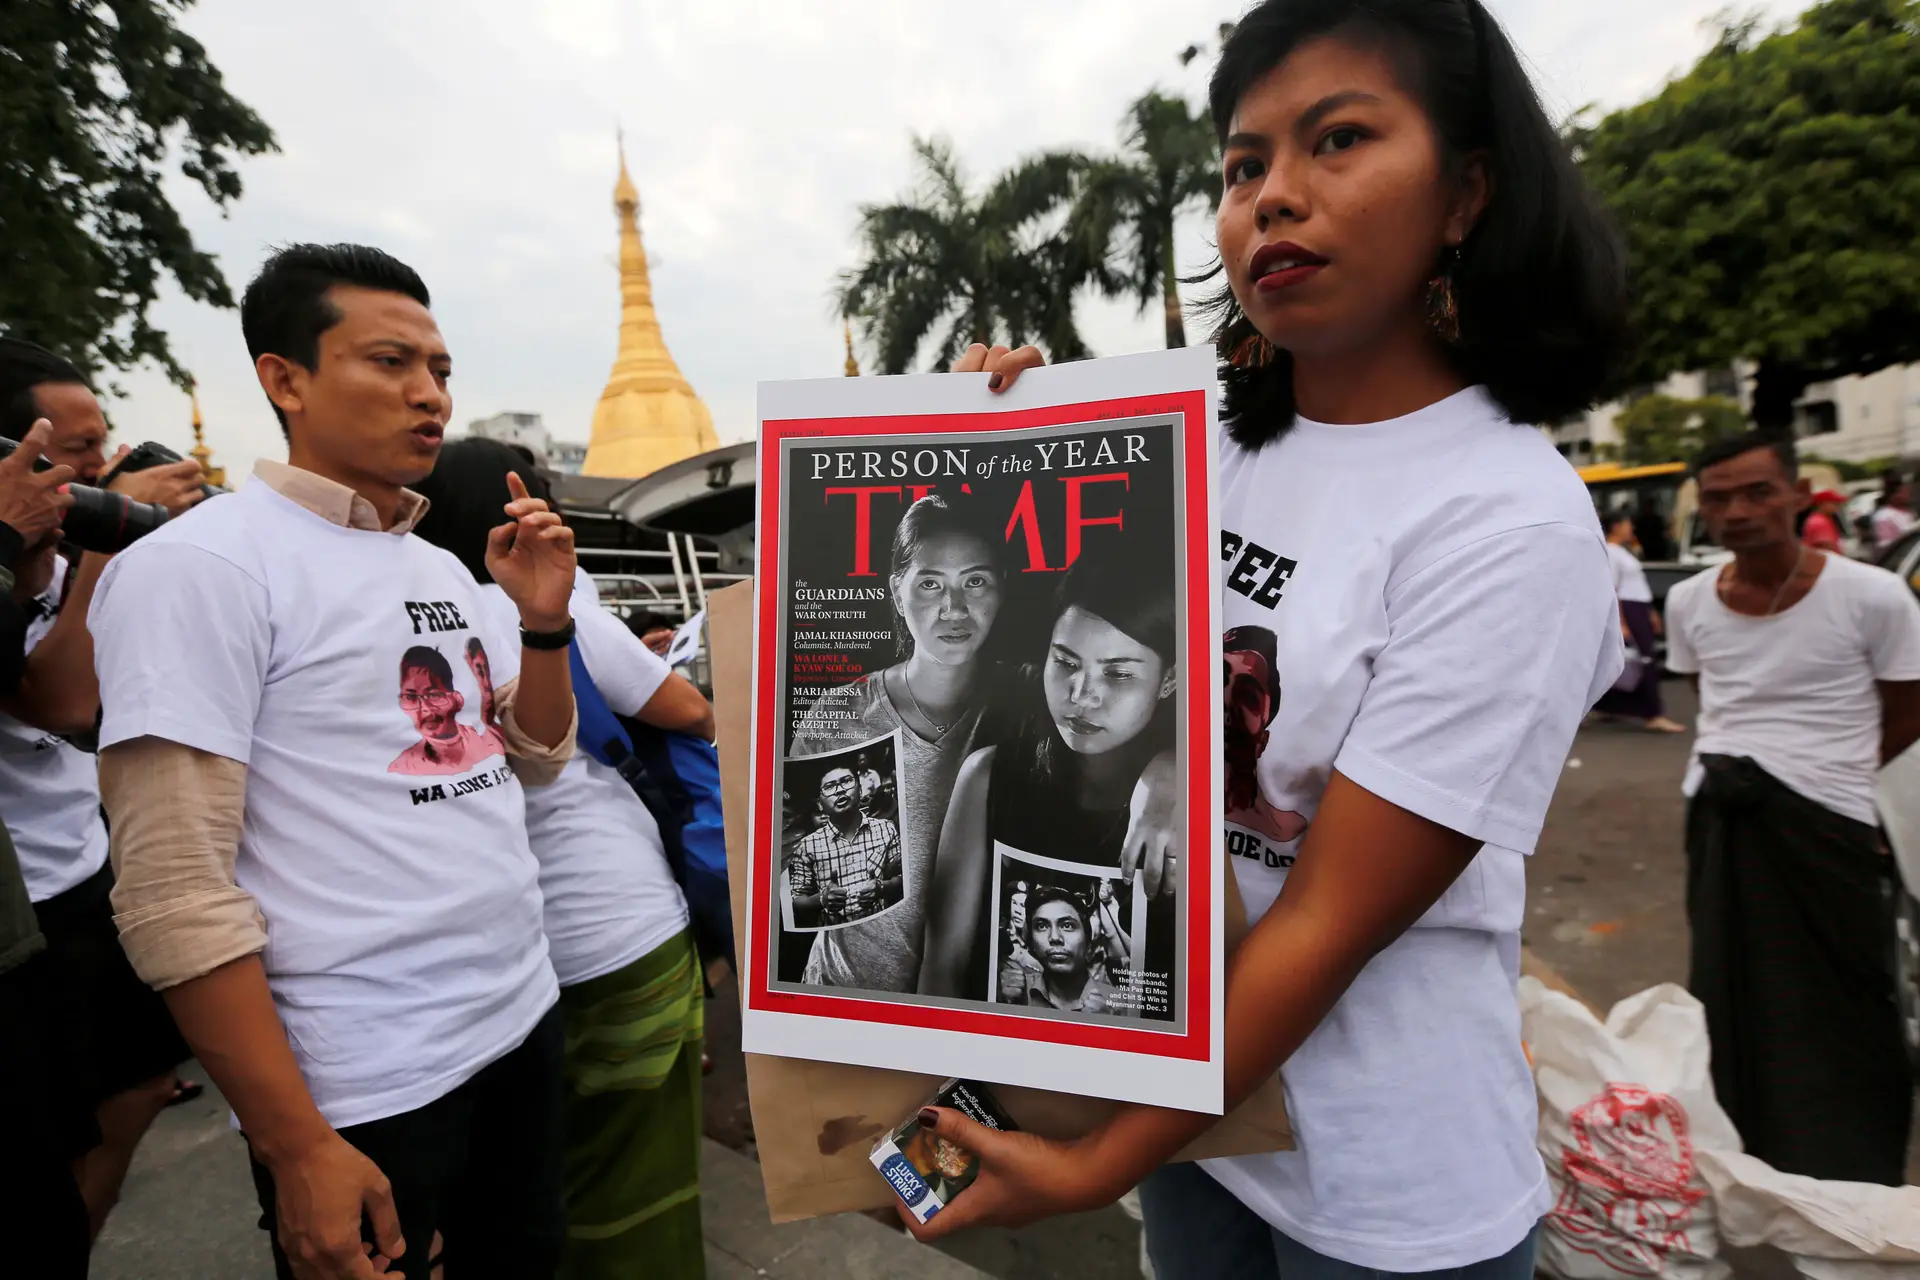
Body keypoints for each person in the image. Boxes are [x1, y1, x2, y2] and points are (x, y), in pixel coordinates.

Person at [903, 5, 1628, 1278]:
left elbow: (1332, 913)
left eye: (1338, 139)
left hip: (1384, 1185)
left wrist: (1094, 1161)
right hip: (1202, 1138)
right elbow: (1043, 626)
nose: (1273, 198)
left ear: (1466, 191)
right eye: (1243, 167)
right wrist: (1007, 437)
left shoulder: (1509, 516)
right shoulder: (1206, 453)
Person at [89, 242, 582, 1280]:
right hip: (370, 1076)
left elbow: (527, 762)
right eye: (392, 361)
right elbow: (174, 888)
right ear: (285, 378)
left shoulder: (430, 561)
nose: (427, 393)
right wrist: (297, 1140)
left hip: (519, 1014)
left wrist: (543, 625)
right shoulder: (202, 564)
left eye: (440, 369)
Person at [412, 437, 714, 1279]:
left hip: (503, 964)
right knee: (637, 1178)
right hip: (619, 933)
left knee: (547, 1181)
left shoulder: (415, 616)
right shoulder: (553, 601)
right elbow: (686, 708)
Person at [1663, 432, 1920, 1186]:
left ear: (1798, 494)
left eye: (1757, 492)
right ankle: (1745, 1161)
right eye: (1718, 498)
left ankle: (1847, 1169)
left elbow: (1907, 710)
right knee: (1727, 985)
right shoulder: (1687, 600)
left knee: (1842, 997)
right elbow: (1716, 700)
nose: (1737, 511)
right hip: (1722, 814)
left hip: (1827, 823)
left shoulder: (1870, 594)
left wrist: (1833, 776)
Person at [0, 339, 208, 1238]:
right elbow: (61, 699)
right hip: (31, 913)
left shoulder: (61, 546)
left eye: (104, 441)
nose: (102, 463)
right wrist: (104, 540)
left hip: (90, 871)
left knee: (137, 1090)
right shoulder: (21, 558)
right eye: (79, 449)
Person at [919, 546, 1179, 1013]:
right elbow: (942, 973)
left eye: (1118, 674)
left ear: (1169, 679)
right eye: (1065, 662)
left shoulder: (1183, 800)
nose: (1082, 695)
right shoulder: (987, 778)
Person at [786, 494, 1007, 991]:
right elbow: (789, 877)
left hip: (970, 1014)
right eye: (930, 583)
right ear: (896, 590)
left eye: (976, 581)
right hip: (845, 996)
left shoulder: (1033, 704)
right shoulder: (840, 715)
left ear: (1001, 590)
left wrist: (1167, 772)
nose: (955, 608)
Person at [0, 417, 92, 1278]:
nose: (87, 474)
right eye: (62, 453)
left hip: (61, 877)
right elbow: (61, 700)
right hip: (42, 886)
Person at [1591, 513, 1685, 732]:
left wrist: (1650, 612)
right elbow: (1612, 589)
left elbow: (1636, 583)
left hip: (1639, 606)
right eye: (1627, 524)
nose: (1631, 527)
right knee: (1644, 660)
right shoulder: (1611, 552)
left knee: (1634, 659)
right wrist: (1621, 623)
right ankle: (1653, 714)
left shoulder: (1624, 550)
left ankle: (1609, 707)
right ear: (1616, 527)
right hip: (1628, 608)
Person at [788, 766, 903, 928]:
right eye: (829, 787)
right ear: (820, 804)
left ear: (861, 789)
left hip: (882, 927)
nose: (839, 791)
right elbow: (796, 900)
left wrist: (882, 887)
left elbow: (903, 877)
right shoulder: (807, 845)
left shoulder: (886, 828)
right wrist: (821, 899)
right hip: (833, 938)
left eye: (846, 781)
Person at [997, 887, 1117, 1013]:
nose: (1054, 937)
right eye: (1042, 926)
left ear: (1087, 939)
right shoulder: (1014, 993)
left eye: (1067, 925)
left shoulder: (1119, 1005)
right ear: (1032, 942)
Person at [1870, 471, 1913, 550]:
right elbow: (1883, 545)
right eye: (1903, 492)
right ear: (1892, 494)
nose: (1907, 495)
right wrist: (1903, 537)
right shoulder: (1883, 516)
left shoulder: (1908, 512)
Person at [1800, 488, 1847, 554]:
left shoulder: (1822, 519)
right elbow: (1826, 548)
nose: (1838, 506)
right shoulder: (1819, 522)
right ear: (1823, 504)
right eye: (1834, 503)